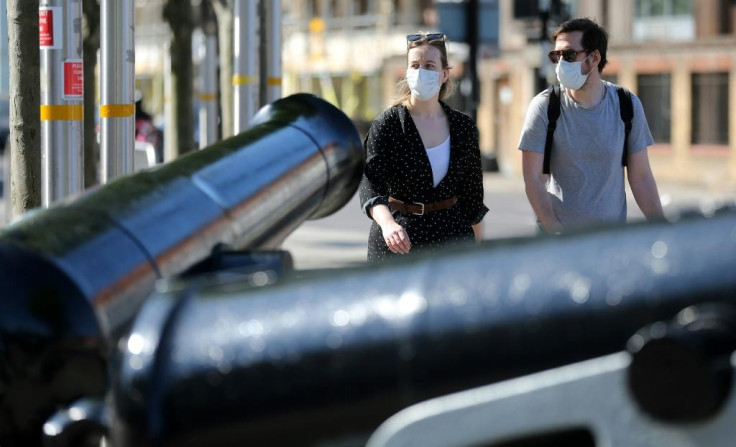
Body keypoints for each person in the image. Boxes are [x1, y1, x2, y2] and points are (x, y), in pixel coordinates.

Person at [518, 18, 664, 234]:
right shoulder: (545, 107)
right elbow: (533, 179)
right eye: (555, 56)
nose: (560, 64)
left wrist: (662, 228)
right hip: (559, 244)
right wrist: (555, 230)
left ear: (594, 57)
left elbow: (641, 177)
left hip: (611, 242)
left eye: (568, 55)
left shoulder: (627, 105)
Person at [359, 32, 488, 263]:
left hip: (451, 239)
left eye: (429, 66)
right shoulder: (388, 124)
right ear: (407, 72)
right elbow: (371, 186)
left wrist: (477, 257)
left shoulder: (463, 127)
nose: (420, 72)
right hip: (398, 242)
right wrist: (388, 224)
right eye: (415, 65)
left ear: (444, 74)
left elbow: (473, 200)